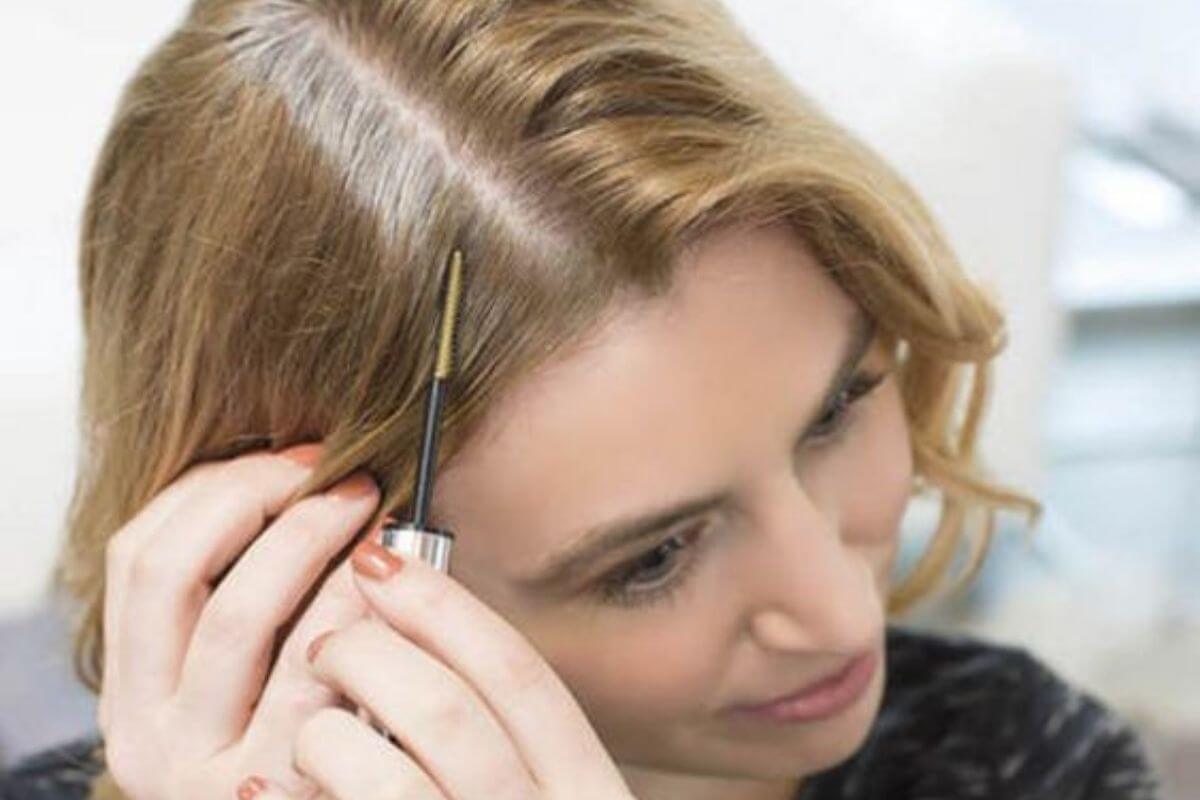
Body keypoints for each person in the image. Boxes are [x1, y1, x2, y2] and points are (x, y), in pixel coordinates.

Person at [0, 0, 1165, 798]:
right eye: (651, 558)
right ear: (290, 570)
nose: (837, 611)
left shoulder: (1013, 753)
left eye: (836, 408)